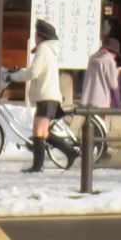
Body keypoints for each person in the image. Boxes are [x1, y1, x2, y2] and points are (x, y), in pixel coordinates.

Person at [11, 19, 75, 172]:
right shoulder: (48, 50)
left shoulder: (44, 49)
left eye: (36, 34)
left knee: (38, 132)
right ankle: (70, 152)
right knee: (44, 133)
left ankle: (37, 166)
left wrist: (15, 76)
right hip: (47, 96)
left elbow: (33, 72)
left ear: (40, 36)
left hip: (46, 96)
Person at [83, 36, 121, 110]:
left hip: (87, 98)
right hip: (101, 101)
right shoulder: (109, 60)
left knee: (88, 120)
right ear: (114, 52)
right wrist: (118, 72)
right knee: (100, 120)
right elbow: (113, 84)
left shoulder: (92, 57)